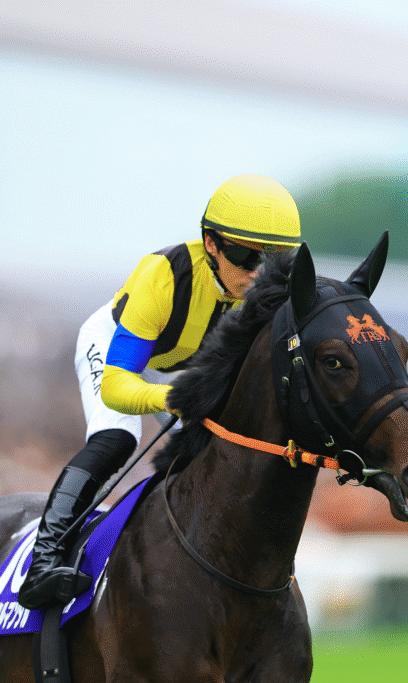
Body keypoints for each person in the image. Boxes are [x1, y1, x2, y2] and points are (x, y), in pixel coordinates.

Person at [17, 174, 302, 610]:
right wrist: (169, 400)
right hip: (118, 350)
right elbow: (116, 386)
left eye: (277, 258)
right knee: (118, 438)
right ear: (211, 243)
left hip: (185, 368)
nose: (259, 274)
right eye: (246, 256)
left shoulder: (268, 293)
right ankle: (44, 561)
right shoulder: (164, 276)